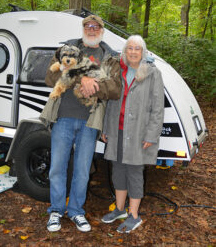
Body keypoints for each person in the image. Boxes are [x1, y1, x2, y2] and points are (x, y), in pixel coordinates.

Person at [45, 15, 121, 232]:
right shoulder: (65, 50)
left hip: (90, 121)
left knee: (82, 171)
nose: (91, 29)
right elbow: (50, 79)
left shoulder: (110, 57)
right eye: (87, 26)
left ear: (102, 31)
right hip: (63, 118)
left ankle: (76, 211)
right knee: (57, 167)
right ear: (82, 28)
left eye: (96, 26)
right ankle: (57, 211)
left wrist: (92, 86)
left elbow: (115, 89)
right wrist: (82, 79)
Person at [101, 35, 164, 233]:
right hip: (117, 129)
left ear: (142, 52)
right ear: (125, 52)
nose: (134, 52)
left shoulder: (152, 72)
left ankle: (134, 215)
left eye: (137, 48)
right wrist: (106, 128)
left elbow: (158, 108)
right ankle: (119, 209)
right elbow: (110, 102)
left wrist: (151, 135)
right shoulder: (118, 70)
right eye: (130, 48)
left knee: (134, 172)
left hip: (139, 132)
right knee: (118, 170)